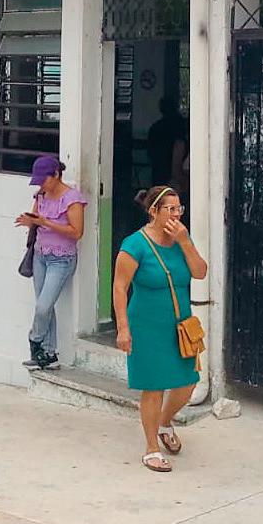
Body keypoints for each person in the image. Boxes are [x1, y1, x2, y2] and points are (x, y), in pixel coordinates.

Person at [113, 185, 208, 473]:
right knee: (153, 387)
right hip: (146, 324)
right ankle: (151, 448)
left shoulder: (181, 240)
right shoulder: (135, 245)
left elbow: (200, 272)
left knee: (188, 382)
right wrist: (123, 328)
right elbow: (120, 287)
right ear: (154, 211)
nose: (176, 214)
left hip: (179, 324)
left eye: (179, 208)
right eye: (170, 208)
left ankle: (165, 422)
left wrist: (185, 241)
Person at [15, 155, 87, 370]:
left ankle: (35, 340)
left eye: (44, 180)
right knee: (44, 306)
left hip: (61, 259)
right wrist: (30, 222)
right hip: (40, 255)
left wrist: (46, 222)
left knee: (43, 306)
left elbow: (77, 232)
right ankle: (48, 353)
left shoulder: (72, 199)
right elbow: (36, 218)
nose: (41, 185)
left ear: (56, 174)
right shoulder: (41, 195)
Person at [147, 94, 189, 201]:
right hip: (173, 174)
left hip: (161, 172)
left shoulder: (156, 127)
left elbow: (150, 152)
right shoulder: (181, 126)